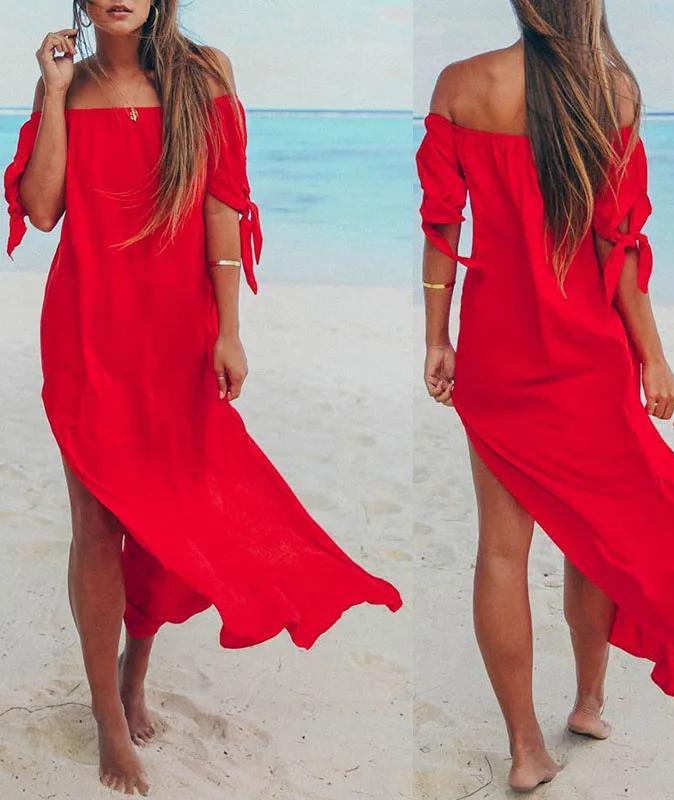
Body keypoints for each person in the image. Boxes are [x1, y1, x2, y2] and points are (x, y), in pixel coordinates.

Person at [4, 1, 401, 795]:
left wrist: (229, 330)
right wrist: (51, 93)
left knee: (168, 513)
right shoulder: (69, 86)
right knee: (97, 525)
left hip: (178, 335)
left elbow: (224, 204)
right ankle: (108, 720)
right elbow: (42, 211)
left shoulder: (201, 75)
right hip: (87, 334)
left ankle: (135, 670)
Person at [416, 0, 674, 792]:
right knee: (596, 529)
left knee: (500, 549)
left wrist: (436, 338)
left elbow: (441, 228)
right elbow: (616, 245)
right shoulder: (611, 93)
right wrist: (653, 358)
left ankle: (526, 749)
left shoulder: (460, 86)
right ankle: (588, 702)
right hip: (587, 354)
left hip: (496, 355)